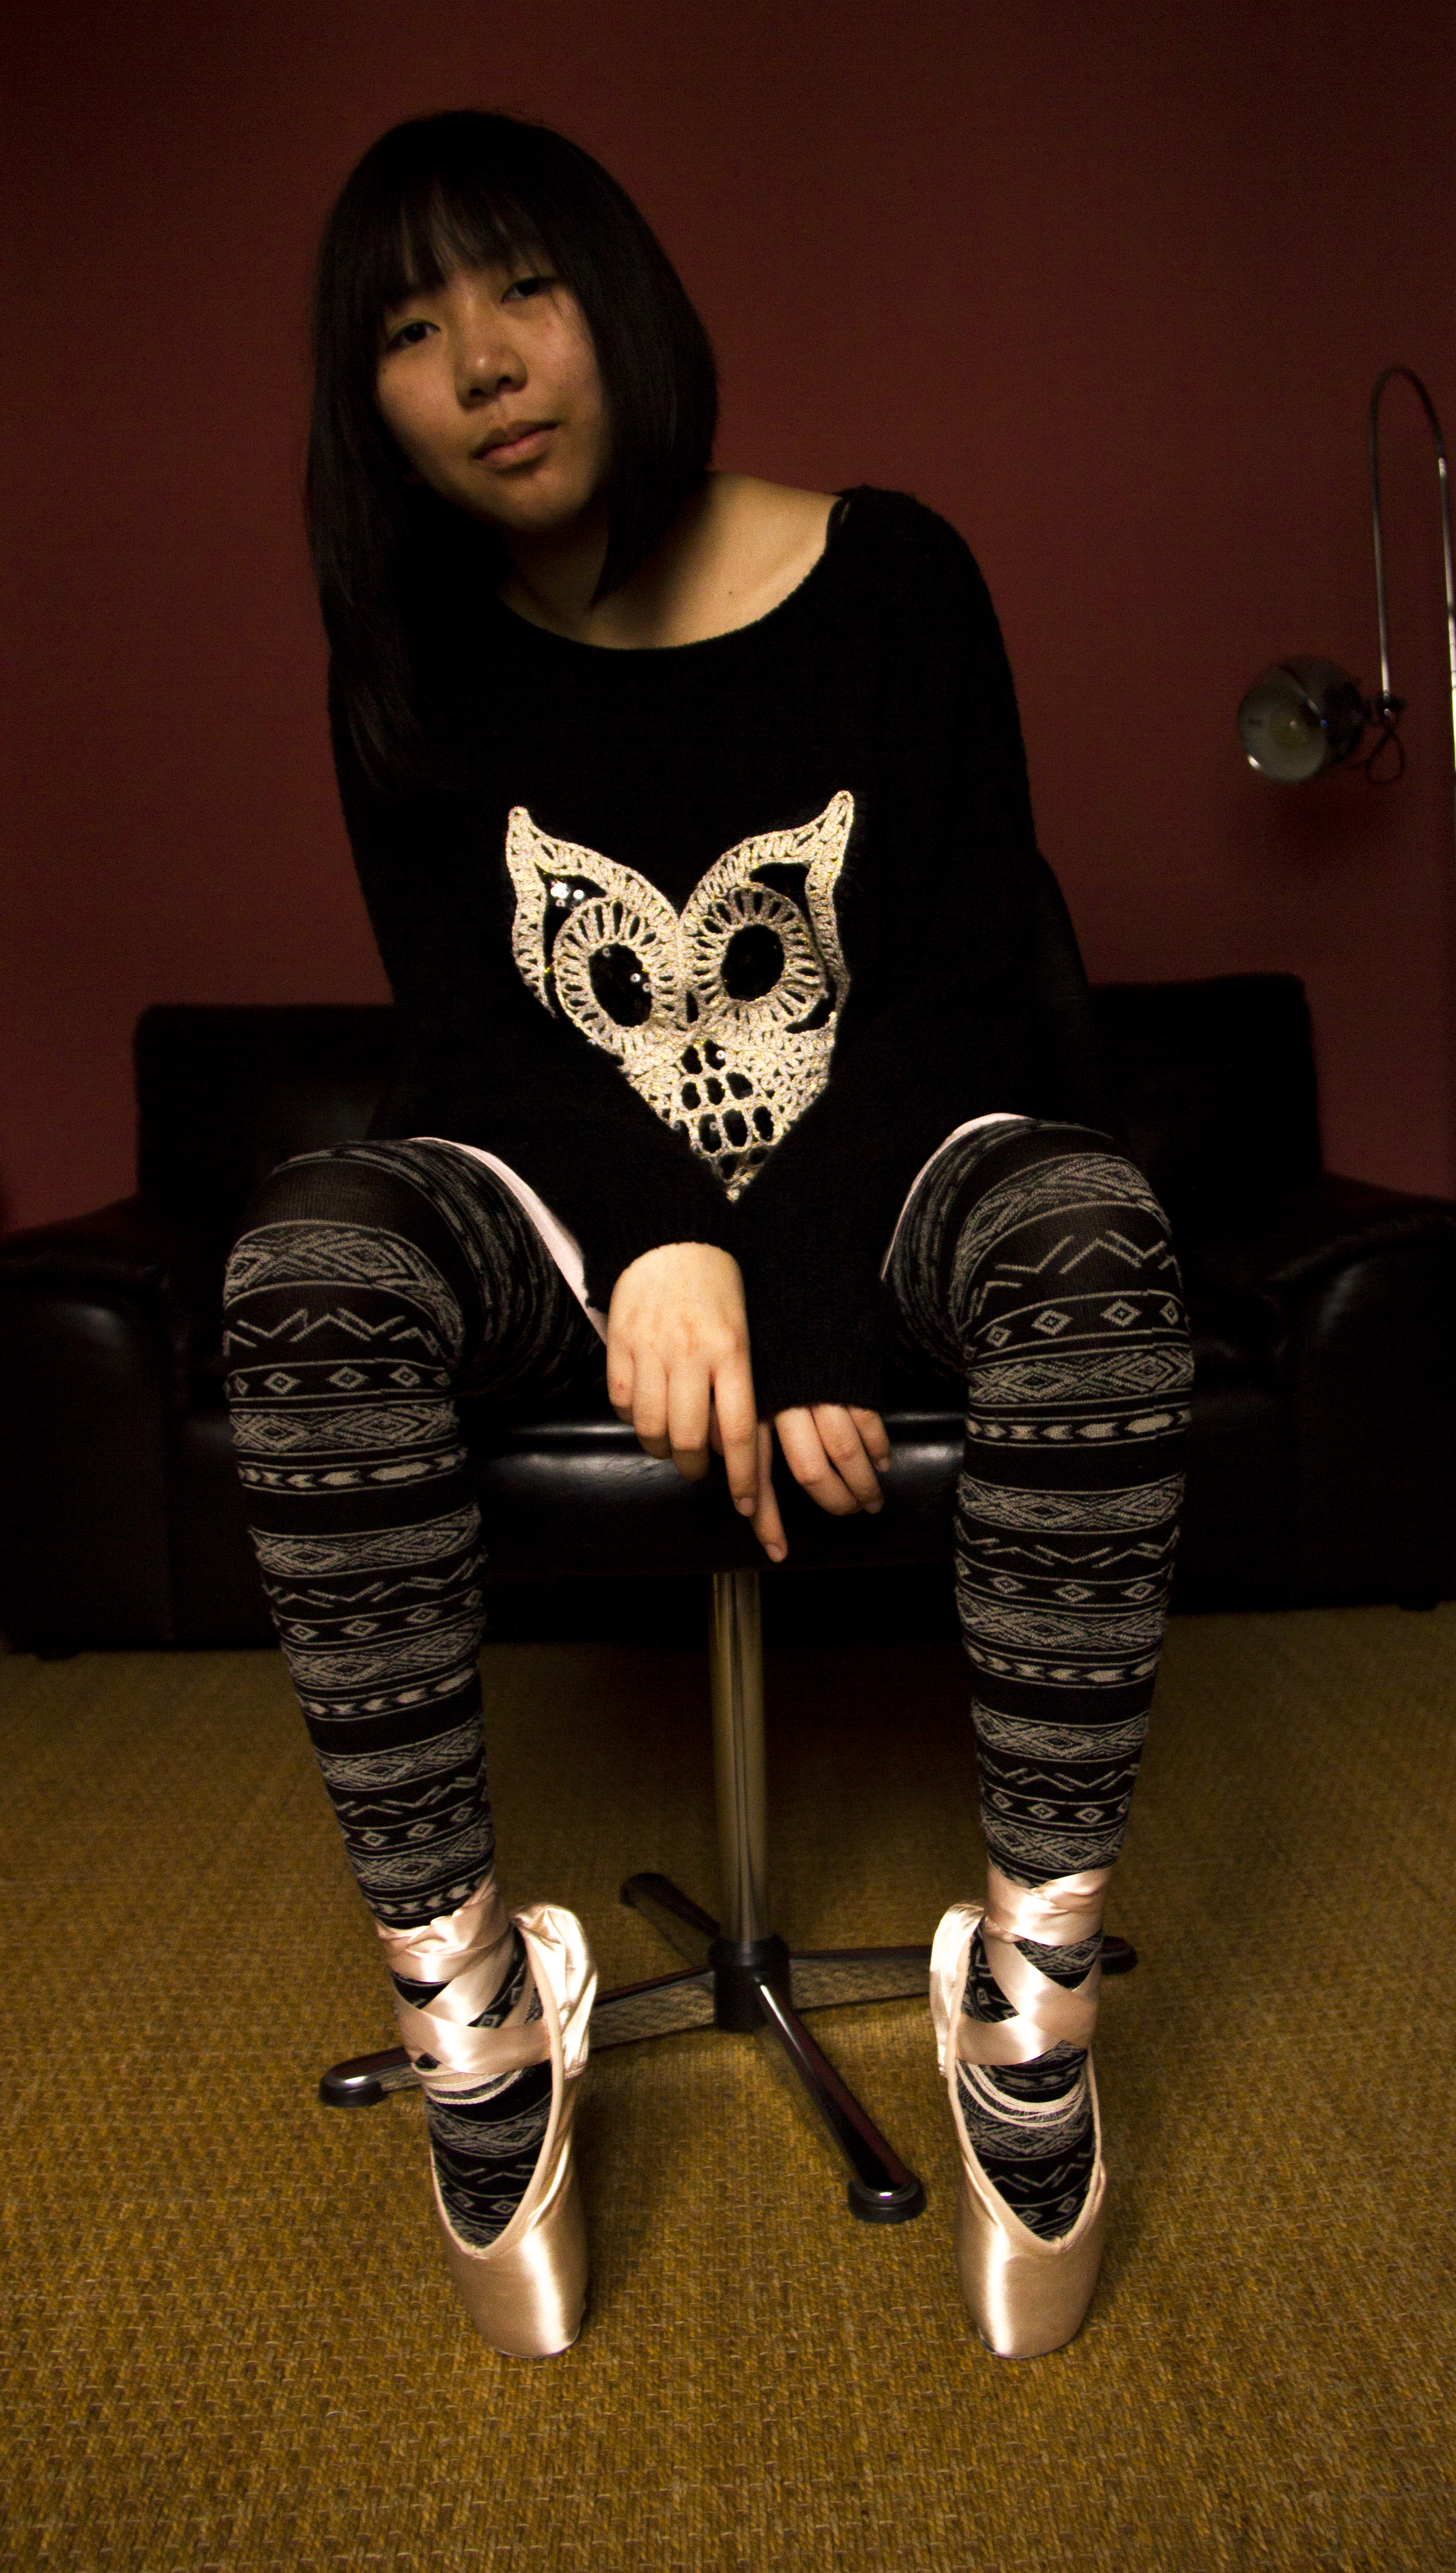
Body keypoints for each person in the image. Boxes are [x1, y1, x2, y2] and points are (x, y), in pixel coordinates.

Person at [223, 108, 1192, 2363]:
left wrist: (815, 1282)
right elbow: (473, 1035)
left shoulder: (896, 572)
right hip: (562, 1205)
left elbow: (965, 989)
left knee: (1092, 1230)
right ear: (367, 399)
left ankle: (1029, 2008)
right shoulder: (411, 651)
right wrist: (665, 1233)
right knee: (306, 1272)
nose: (482, 362)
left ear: (624, 299)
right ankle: (479, 2024)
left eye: (523, 288)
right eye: (408, 330)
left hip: (897, 1164)